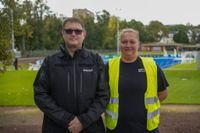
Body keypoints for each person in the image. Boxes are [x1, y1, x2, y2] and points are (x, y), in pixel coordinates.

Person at [33, 17, 109, 133]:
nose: (73, 34)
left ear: (84, 34)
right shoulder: (50, 62)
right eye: (69, 31)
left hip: (91, 127)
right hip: (56, 127)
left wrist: (84, 120)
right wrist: (66, 119)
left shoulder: (96, 61)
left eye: (78, 31)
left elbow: (103, 95)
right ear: (62, 33)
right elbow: (40, 94)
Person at [105, 28, 168, 133]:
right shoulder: (110, 66)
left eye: (132, 42)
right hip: (117, 129)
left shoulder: (151, 65)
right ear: (119, 44)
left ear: (138, 44)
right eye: (124, 42)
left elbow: (163, 93)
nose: (128, 45)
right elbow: (101, 95)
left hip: (147, 128)